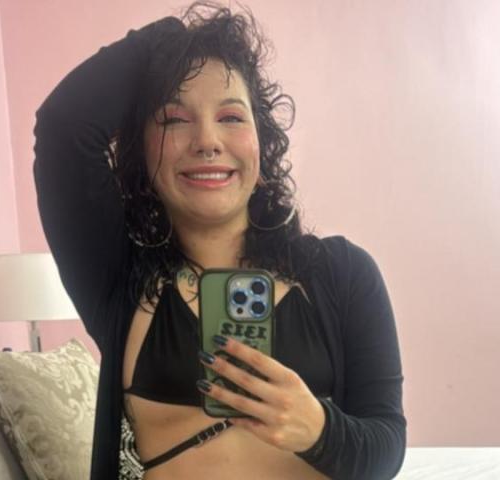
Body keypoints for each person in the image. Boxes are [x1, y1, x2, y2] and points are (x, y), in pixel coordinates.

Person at [33, 2, 406, 479]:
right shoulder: (118, 275)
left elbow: (386, 447)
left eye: (231, 117)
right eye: (174, 119)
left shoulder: (344, 272)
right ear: (141, 153)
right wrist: (173, 40)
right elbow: (63, 127)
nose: (207, 140)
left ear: (261, 144)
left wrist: (319, 431)